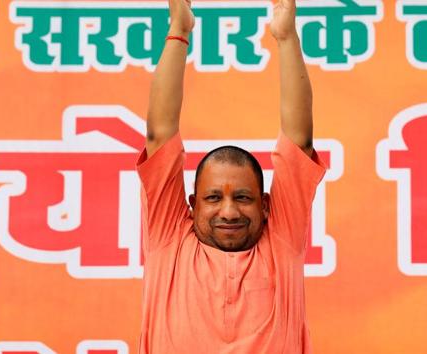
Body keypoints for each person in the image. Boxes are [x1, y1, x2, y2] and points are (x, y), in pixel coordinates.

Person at [136, 0, 325, 352]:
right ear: (191, 205)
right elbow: (159, 134)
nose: (229, 212)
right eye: (213, 197)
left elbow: (299, 140)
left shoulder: (281, 242)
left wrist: (286, 38)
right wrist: (179, 30)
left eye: (242, 197)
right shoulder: (169, 239)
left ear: (266, 205)